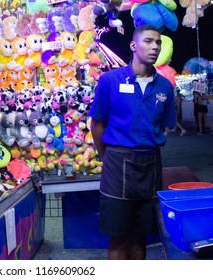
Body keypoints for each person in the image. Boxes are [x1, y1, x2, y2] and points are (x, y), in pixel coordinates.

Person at [89, 24, 175, 260]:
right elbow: (96, 125)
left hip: (151, 164)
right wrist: (107, 157)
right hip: (117, 164)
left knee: (141, 236)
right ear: (133, 45)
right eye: (148, 41)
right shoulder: (110, 80)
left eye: (158, 42)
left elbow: (164, 126)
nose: (154, 47)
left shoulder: (166, 87)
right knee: (118, 237)